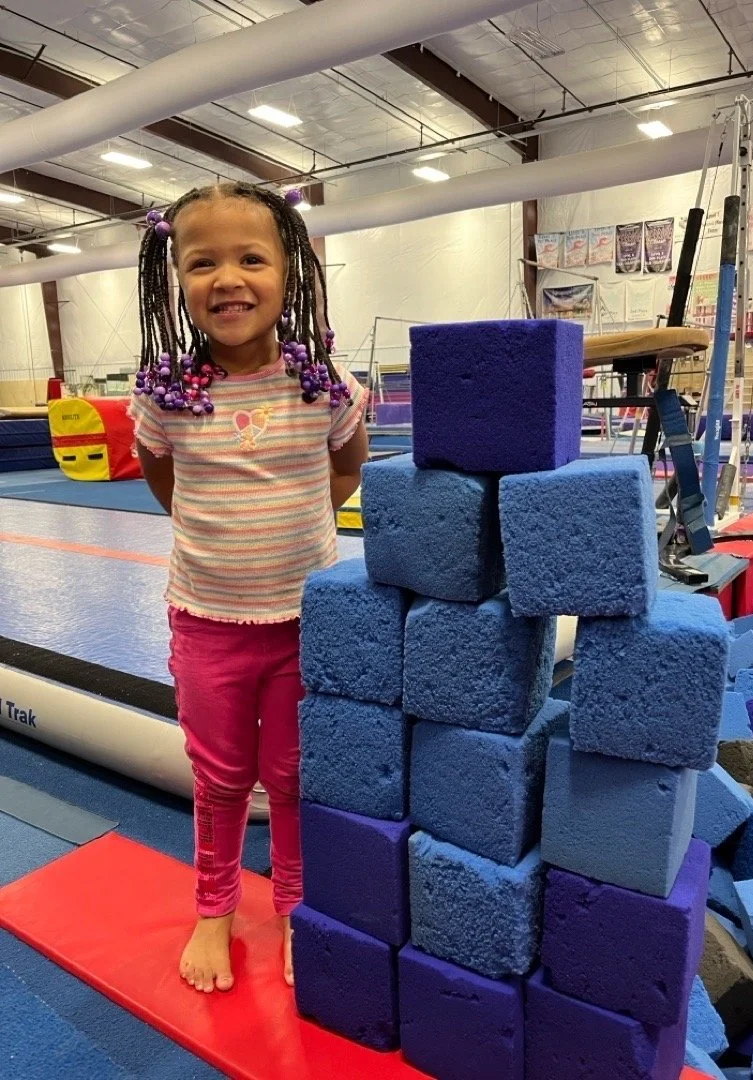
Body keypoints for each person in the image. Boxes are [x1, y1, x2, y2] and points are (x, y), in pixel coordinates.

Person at [129, 180, 368, 995]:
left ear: (290, 274)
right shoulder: (167, 390)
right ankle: (214, 906)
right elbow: (163, 479)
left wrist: (300, 525)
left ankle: (299, 906)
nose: (227, 278)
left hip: (308, 620)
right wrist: (217, 529)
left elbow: (346, 467)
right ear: (178, 284)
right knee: (221, 775)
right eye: (202, 263)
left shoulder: (322, 380)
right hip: (208, 618)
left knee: (298, 776)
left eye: (251, 258)